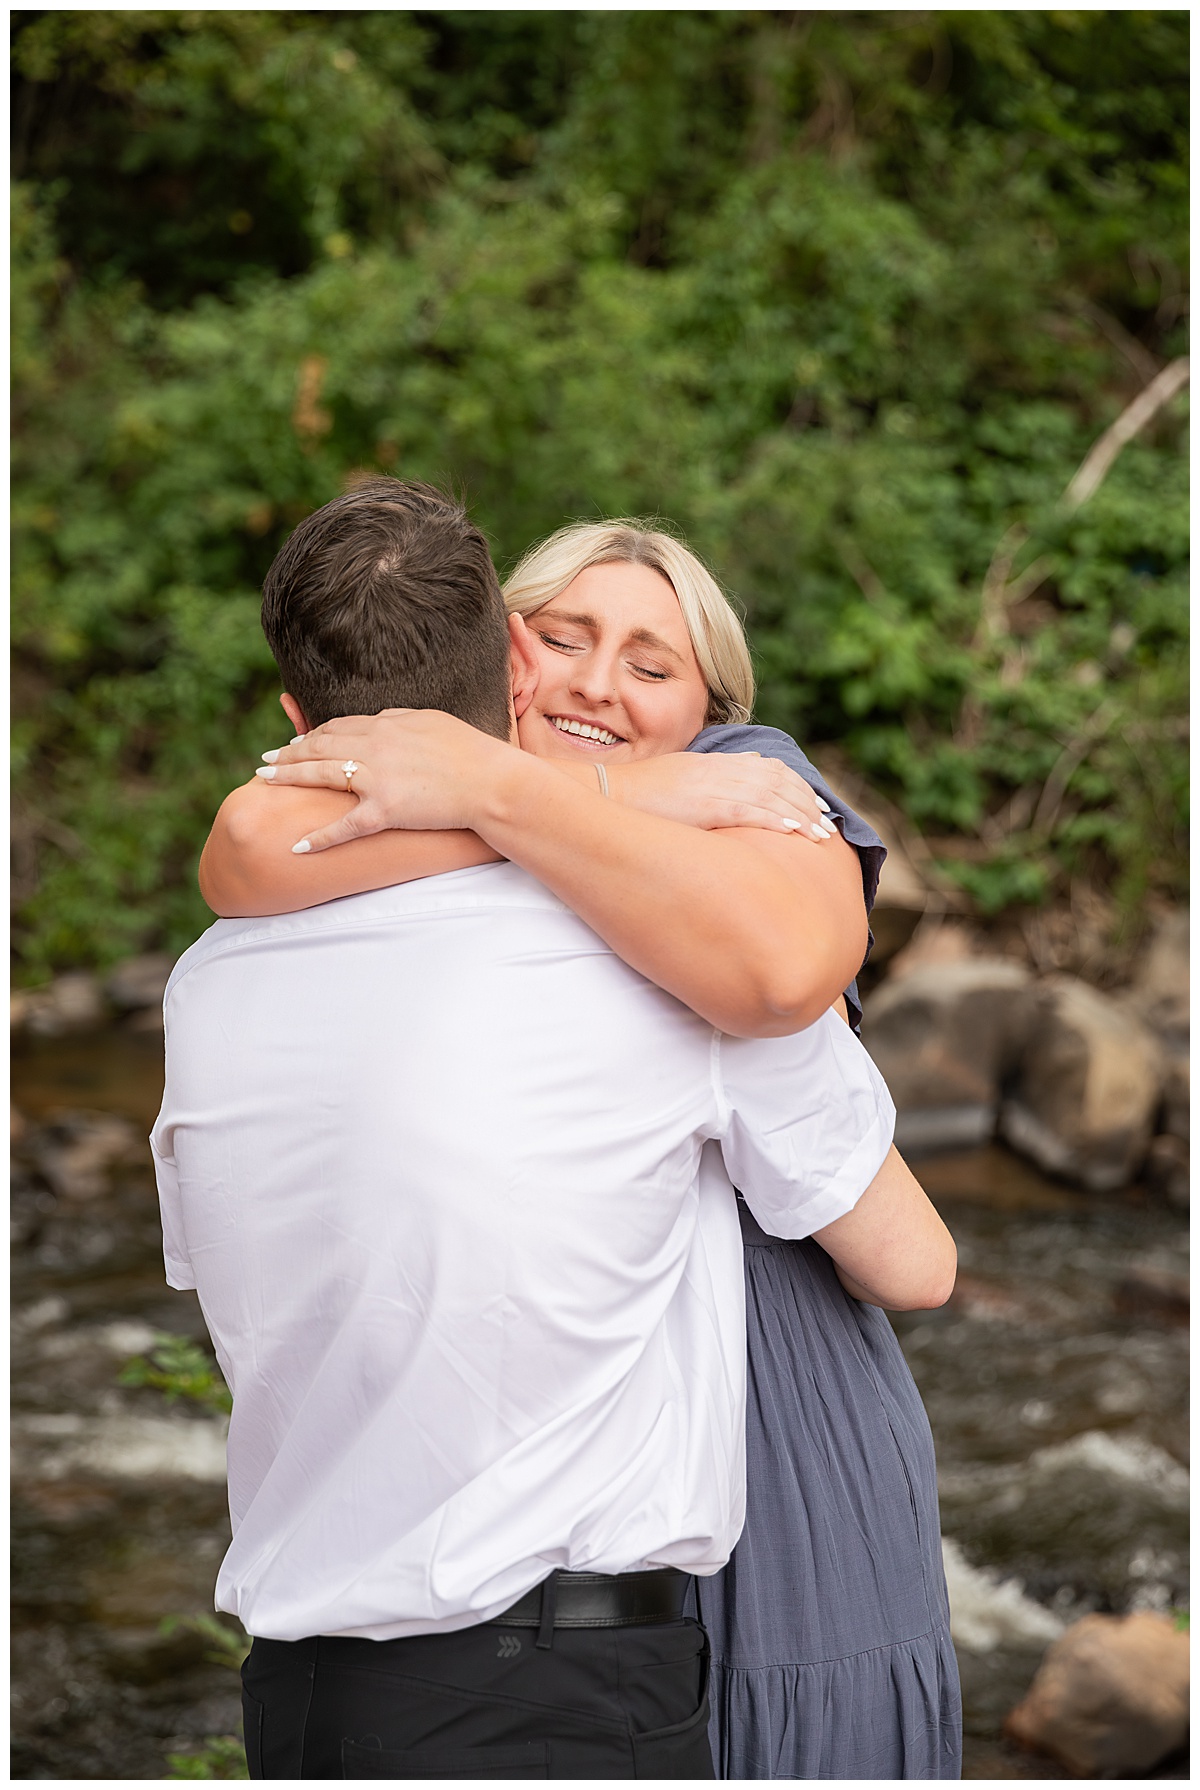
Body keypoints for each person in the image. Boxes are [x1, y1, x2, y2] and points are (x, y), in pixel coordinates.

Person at [156, 478, 953, 1780]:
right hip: (550, 1630)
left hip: (773, 1435)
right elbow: (246, 838)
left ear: (715, 720)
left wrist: (531, 791)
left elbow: (791, 972)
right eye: (568, 635)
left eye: (654, 662)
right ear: (506, 653)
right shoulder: (385, 850)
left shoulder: (736, 816)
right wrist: (514, 789)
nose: (598, 684)